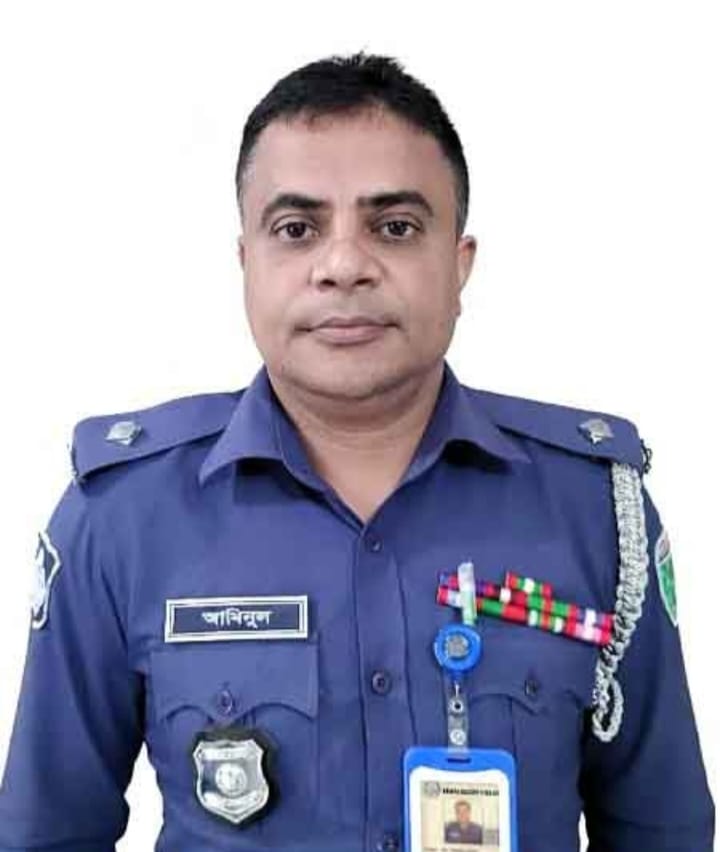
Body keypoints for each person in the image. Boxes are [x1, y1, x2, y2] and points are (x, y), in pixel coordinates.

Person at [0, 50, 714, 852]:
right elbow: (47, 833)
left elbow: (664, 830)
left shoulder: (595, 509)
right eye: (296, 229)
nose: (343, 266)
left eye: (395, 227)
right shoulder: (121, 515)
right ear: (247, 262)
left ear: (459, 265)